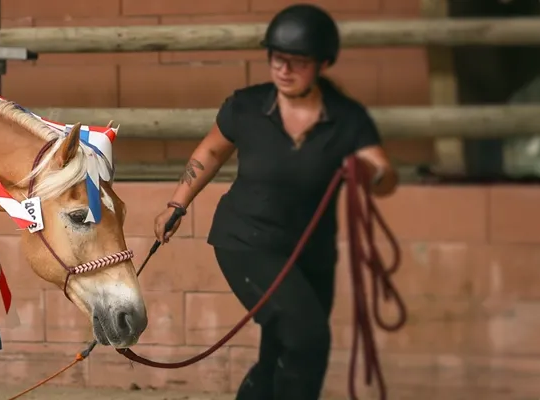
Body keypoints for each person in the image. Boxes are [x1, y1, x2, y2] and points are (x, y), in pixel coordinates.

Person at [151, 3, 398, 400]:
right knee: (306, 336)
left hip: (311, 252)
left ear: (321, 64)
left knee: (287, 348)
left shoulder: (346, 117)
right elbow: (211, 152)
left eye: (296, 62)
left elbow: (383, 173)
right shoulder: (247, 106)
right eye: (277, 59)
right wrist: (176, 204)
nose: (283, 69)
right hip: (247, 242)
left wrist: (371, 174)